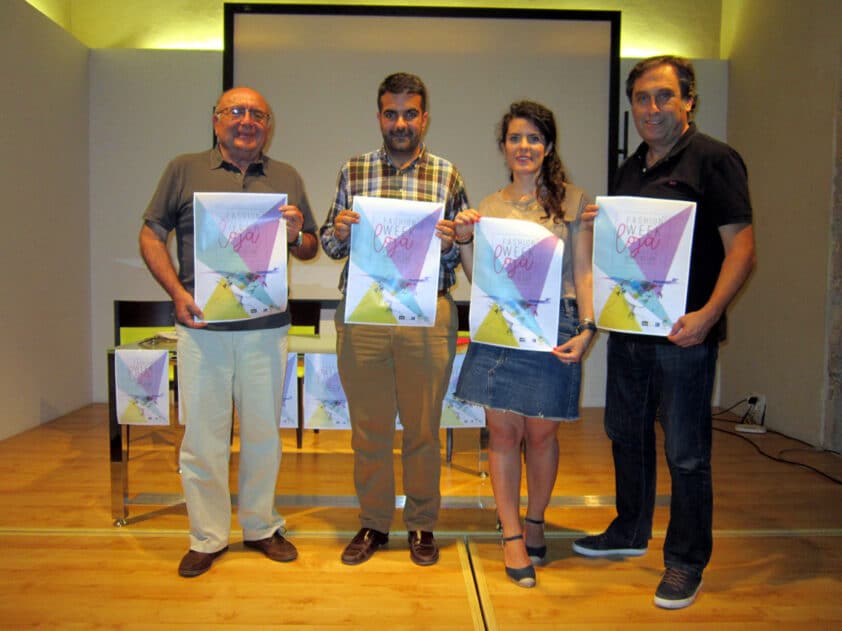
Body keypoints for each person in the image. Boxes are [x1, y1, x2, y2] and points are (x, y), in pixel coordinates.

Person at [571, 56, 756, 609]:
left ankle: (685, 561)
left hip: (684, 337)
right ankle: (629, 530)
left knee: (687, 453)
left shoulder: (715, 160)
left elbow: (742, 248)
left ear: (688, 100)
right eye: (641, 99)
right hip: (631, 334)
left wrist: (707, 315)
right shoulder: (633, 168)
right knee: (625, 434)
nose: (650, 109)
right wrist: (595, 229)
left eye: (663, 97)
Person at [139, 86, 319, 578]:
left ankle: (261, 527)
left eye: (257, 114)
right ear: (216, 120)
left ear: (269, 124)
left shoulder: (287, 177)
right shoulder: (183, 169)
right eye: (236, 112)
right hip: (202, 327)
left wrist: (299, 229)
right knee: (203, 436)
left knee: (264, 433)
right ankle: (207, 535)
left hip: (266, 328)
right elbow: (151, 234)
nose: (247, 121)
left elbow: (308, 247)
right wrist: (177, 292)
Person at [320, 72, 470, 567]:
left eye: (410, 113)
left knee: (424, 427)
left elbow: (463, 248)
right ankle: (373, 523)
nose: (400, 122)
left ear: (424, 117)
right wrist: (339, 229)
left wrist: (453, 241)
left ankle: (422, 524)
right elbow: (328, 242)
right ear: (380, 116)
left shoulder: (448, 175)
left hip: (428, 314)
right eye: (391, 113)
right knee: (370, 427)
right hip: (364, 313)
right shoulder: (354, 169)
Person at [452, 101, 595, 588]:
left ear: (548, 146)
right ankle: (512, 533)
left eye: (534, 138)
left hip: (556, 324)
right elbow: (480, 281)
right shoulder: (488, 206)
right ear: (504, 146)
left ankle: (536, 519)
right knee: (504, 434)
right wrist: (467, 241)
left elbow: (584, 271)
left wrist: (589, 327)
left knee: (542, 435)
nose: (525, 146)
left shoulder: (574, 202)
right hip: (502, 327)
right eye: (516, 138)